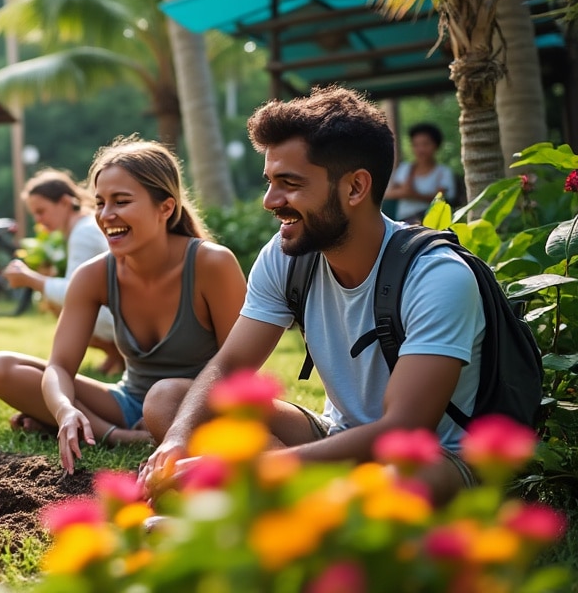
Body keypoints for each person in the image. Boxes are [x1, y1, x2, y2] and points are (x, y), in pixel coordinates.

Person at [140, 87, 484, 506]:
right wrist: (175, 441)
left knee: (397, 481)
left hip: (428, 456)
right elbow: (229, 365)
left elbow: (404, 428)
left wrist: (255, 466)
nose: (270, 201)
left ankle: (280, 501)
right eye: (270, 182)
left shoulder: (437, 276)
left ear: (355, 187)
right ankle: (303, 502)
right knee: (168, 402)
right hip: (335, 439)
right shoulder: (288, 254)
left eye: (290, 184)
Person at [0, 138, 247, 473]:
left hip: (195, 407)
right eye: (100, 203)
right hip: (128, 403)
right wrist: (64, 409)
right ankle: (117, 435)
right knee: (2, 367)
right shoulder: (94, 275)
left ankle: (133, 430)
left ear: (165, 208)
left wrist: (184, 419)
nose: (107, 216)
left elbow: (239, 370)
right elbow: (60, 367)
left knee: (163, 396)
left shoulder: (211, 264)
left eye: (121, 201)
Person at [1, 169, 124, 375]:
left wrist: (29, 278)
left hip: (121, 315)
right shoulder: (81, 228)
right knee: (53, 300)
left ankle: (119, 355)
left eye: (41, 211)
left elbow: (76, 294)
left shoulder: (83, 232)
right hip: (120, 310)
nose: (38, 220)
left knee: (58, 305)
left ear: (65, 203)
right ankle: (117, 356)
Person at [383, 121, 456, 222]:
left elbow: (441, 199)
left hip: (432, 222)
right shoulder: (405, 168)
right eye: (416, 145)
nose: (421, 149)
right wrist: (405, 192)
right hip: (404, 221)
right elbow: (389, 193)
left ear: (436, 145)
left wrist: (412, 194)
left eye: (425, 144)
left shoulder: (444, 172)